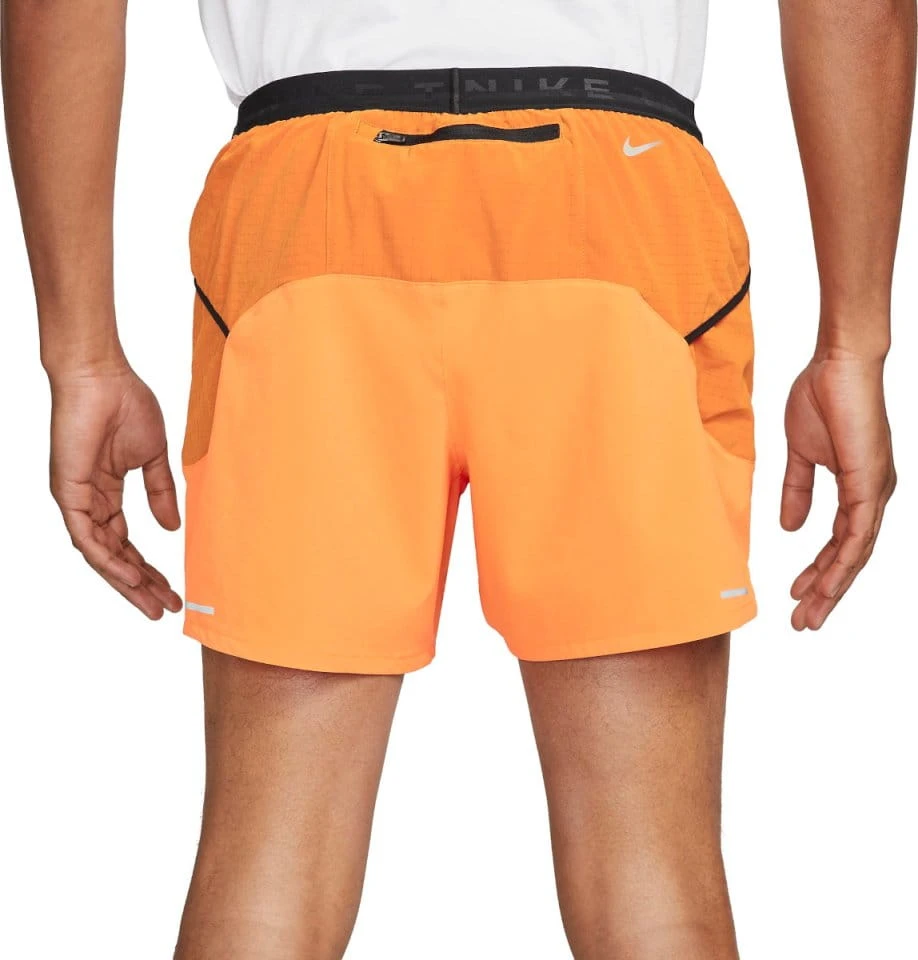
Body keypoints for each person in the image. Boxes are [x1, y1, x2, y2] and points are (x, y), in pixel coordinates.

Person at [2, 0, 910, 957]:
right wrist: (852, 343)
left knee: (272, 866)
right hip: (621, 206)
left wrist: (82, 357)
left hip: (305, 213)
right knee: (652, 879)